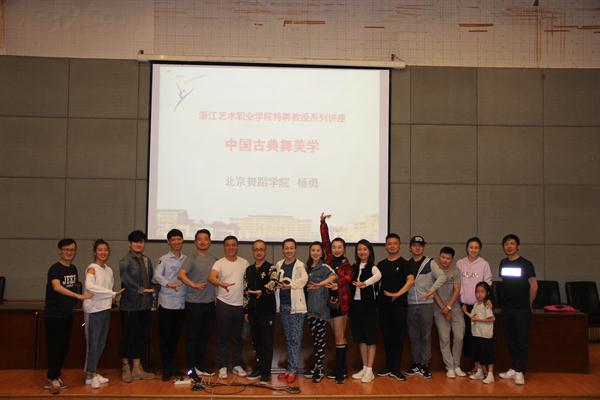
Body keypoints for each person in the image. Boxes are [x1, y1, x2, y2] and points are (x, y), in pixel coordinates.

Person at [44, 238, 93, 395]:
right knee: (54, 347)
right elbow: (57, 287)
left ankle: (55, 375)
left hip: (67, 314)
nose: (69, 252)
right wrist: (78, 296)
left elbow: (74, 288)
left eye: (72, 250)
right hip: (54, 315)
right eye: (66, 250)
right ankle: (52, 378)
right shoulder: (55, 269)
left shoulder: (73, 268)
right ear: (60, 251)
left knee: (64, 347)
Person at [497, 234, 538, 385]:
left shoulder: (526, 264)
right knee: (510, 340)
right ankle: (514, 368)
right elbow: (505, 283)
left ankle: (520, 371)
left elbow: (534, 285)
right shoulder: (503, 263)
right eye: (506, 244)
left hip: (522, 309)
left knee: (521, 340)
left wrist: (529, 304)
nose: (509, 246)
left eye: (512, 243)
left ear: (517, 246)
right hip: (507, 308)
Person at [208, 235, 249, 379]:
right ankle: (222, 366)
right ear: (224, 247)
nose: (231, 247)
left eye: (233, 245)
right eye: (228, 245)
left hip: (240, 306)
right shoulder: (219, 263)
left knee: (238, 337)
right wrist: (220, 283)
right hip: (223, 304)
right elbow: (211, 277)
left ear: (237, 246)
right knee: (223, 337)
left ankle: (236, 365)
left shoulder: (244, 263)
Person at [178, 229, 217, 379]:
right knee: (192, 337)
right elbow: (181, 274)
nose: (202, 242)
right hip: (194, 303)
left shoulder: (214, 259)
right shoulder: (191, 258)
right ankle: (190, 369)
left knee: (204, 337)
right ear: (195, 242)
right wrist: (193, 284)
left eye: (205, 239)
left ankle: (200, 366)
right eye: (199, 239)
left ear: (210, 241)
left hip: (209, 304)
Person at [406, 236, 446, 379]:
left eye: (420, 245)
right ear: (410, 248)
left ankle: (424, 364)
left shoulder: (430, 263)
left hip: (426, 305)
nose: (417, 248)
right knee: (413, 336)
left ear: (423, 248)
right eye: (415, 245)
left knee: (426, 336)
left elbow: (442, 277)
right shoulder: (407, 264)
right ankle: (416, 363)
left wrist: (431, 290)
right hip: (410, 304)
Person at [83, 239, 122, 389]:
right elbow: (90, 286)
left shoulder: (109, 270)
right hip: (93, 311)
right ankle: (90, 375)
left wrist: (113, 298)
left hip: (105, 309)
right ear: (95, 252)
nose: (103, 252)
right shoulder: (92, 268)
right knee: (92, 344)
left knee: (101, 343)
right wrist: (112, 293)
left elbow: (109, 290)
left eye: (105, 250)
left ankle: (91, 372)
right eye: (100, 250)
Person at [320, 213, 354, 384]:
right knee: (338, 336)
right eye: (334, 247)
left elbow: (348, 278)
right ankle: (342, 368)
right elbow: (325, 240)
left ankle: (339, 373)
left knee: (340, 337)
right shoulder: (329, 259)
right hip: (328, 305)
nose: (336, 249)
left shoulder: (347, 265)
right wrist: (322, 223)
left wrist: (336, 284)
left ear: (344, 249)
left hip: (340, 306)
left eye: (339, 247)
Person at [376, 233, 415, 381]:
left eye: (395, 243)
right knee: (386, 337)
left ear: (399, 245)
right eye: (389, 243)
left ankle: (396, 368)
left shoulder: (405, 263)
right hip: (383, 307)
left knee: (398, 337)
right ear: (386, 246)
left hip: (399, 307)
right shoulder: (381, 264)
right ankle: (388, 366)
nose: (392, 246)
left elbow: (410, 281)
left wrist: (397, 294)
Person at [119, 230, 155, 382]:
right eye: (135, 242)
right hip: (130, 306)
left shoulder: (146, 259)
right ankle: (125, 367)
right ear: (130, 244)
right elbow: (126, 281)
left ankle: (137, 369)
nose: (139, 244)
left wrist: (156, 287)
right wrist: (142, 290)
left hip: (145, 305)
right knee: (128, 337)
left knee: (141, 337)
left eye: (141, 241)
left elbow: (152, 279)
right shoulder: (125, 261)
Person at [153, 229, 187, 381]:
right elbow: (157, 276)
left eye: (179, 239)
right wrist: (168, 284)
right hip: (167, 304)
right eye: (173, 239)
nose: (176, 242)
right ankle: (166, 368)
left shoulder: (186, 259)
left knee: (175, 337)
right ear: (168, 242)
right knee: (165, 338)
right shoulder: (164, 259)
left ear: (182, 240)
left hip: (181, 304)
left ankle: (172, 366)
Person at [427, 247, 466, 378]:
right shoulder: (434, 271)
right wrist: (443, 308)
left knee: (459, 337)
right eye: (443, 257)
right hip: (439, 309)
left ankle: (457, 365)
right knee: (444, 339)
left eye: (448, 258)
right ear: (439, 256)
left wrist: (448, 307)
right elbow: (433, 291)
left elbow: (457, 290)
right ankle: (449, 367)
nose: (445, 260)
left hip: (455, 308)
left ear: (452, 259)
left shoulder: (456, 271)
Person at [274, 238, 308, 384]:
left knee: (295, 339)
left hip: (296, 308)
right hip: (283, 307)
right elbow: (275, 280)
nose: (289, 250)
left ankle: (293, 370)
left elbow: (304, 280)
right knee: (289, 338)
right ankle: (289, 368)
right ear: (283, 250)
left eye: (291, 248)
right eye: (286, 248)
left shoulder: (300, 265)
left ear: (295, 249)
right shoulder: (279, 264)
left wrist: (290, 285)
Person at [456, 237, 492, 373]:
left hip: (478, 307)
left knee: (478, 337)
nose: (474, 250)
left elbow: (487, 283)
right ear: (467, 248)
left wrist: (486, 299)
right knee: (467, 336)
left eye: (476, 247)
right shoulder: (460, 263)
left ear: (480, 249)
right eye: (471, 247)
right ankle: (473, 365)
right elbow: (457, 283)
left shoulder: (484, 264)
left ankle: (479, 367)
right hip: (463, 306)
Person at [244, 240, 278, 385]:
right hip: (253, 312)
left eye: (261, 249)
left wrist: (262, 291)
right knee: (257, 342)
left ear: (265, 251)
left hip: (267, 312)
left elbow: (274, 284)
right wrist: (246, 310)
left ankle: (266, 373)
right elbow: (245, 290)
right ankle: (259, 368)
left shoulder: (271, 268)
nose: (259, 252)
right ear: (253, 251)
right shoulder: (249, 270)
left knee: (266, 342)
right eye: (256, 249)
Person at [303, 241, 337, 383]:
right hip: (310, 310)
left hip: (321, 310)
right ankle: (317, 367)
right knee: (316, 341)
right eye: (313, 250)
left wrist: (320, 284)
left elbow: (334, 276)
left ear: (322, 252)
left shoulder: (324, 267)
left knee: (320, 340)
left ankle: (320, 369)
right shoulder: (306, 268)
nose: (315, 253)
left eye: (318, 250)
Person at [349, 239, 381, 383]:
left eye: (365, 249)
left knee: (370, 338)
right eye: (359, 249)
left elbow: (378, 276)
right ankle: (364, 367)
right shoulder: (354, 267)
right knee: (360, 338)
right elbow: (346, 282)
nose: (362, 252)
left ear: (370, 251)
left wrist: (365, 283)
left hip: (369, 307)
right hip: (355, 306)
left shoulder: (372, 267)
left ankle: (370, 370)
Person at [463, 282, 495, 384]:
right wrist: (465, 312)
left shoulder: (487, 305)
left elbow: (492, 319)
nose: (479, 294)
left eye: (482, 292)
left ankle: (490, 374)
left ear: (487, 293)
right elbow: (473, 317)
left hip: (485, 335)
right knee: (478, 354)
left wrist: (479, 320)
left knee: (487, 354)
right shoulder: (476, 305)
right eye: (477, 292)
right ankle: (480, 372)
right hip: (477, 334)